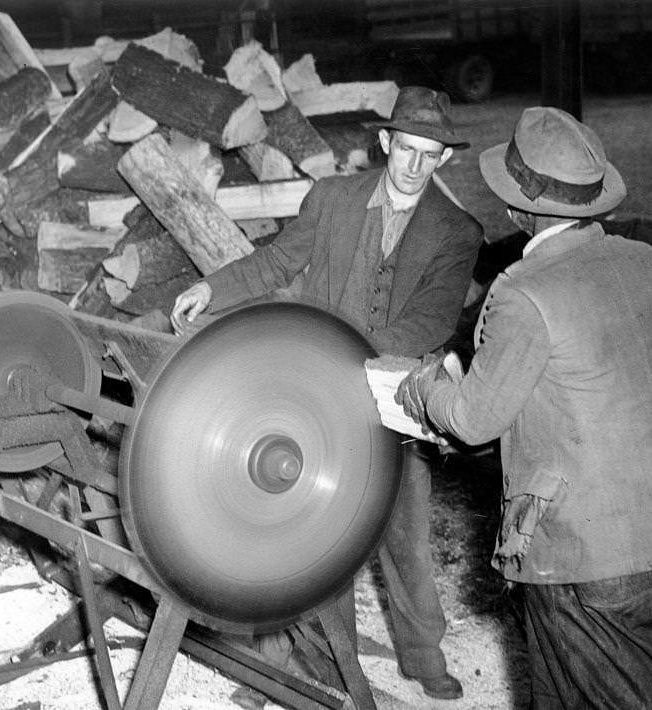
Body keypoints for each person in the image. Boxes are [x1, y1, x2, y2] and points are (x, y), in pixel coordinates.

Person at [171, 86, 484, 700]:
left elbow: (431, 321)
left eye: (430, 155)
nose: (415, 166)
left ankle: (423, 658)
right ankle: (281, 662)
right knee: (306, 529)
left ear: (444, 158)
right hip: (321, 393)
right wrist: (213, 288)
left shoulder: (457, 230)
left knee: (406, 533)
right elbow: (277, 260)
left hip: (399, 397)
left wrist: (340, 355)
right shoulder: (333, 199)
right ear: (385, 143)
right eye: (406, 150)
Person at [396, 106, 652, 709]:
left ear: (521, 210)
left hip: (588, 558)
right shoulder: (644, 261)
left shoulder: (521, 293)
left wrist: (424, 385)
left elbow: (471, 419)